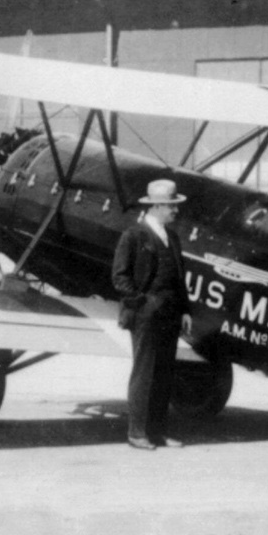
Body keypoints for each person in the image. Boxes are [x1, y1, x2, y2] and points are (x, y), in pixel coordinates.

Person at [112, 178, 191, 450]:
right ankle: (137, 433)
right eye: (172, 206)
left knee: (164, 375)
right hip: (147, 316)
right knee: (144, 374)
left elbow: (179, 278)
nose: (176, 211)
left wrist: (185, 310)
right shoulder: (133, 236)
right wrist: (141, 303)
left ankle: (157, 432)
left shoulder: (173, 237)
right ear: (157, 206)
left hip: (170, 315)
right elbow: (120, 278)